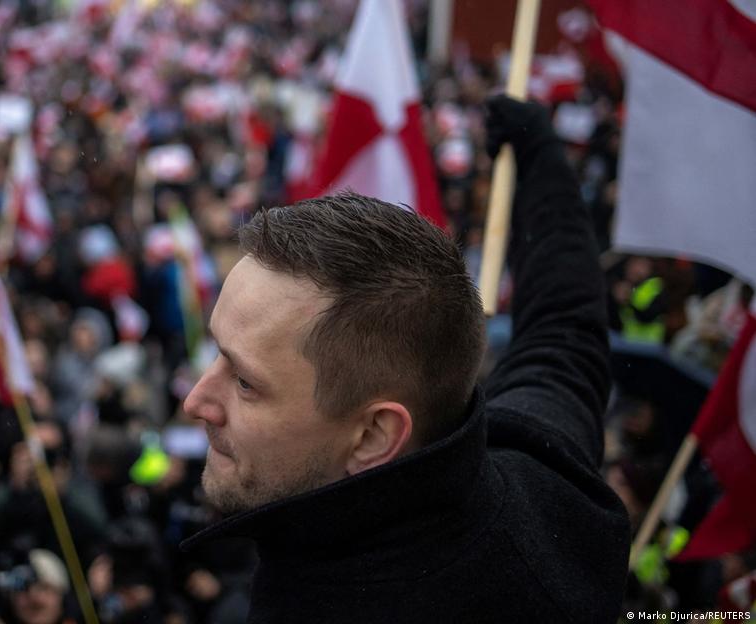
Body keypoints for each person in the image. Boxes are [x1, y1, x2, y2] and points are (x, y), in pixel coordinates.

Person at [180, 97, 631, 622]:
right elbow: (564, 335)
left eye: (246, 383)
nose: (196, 401)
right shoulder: (547, 479)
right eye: (218, 355)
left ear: (374, 435)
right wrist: (540, 157)